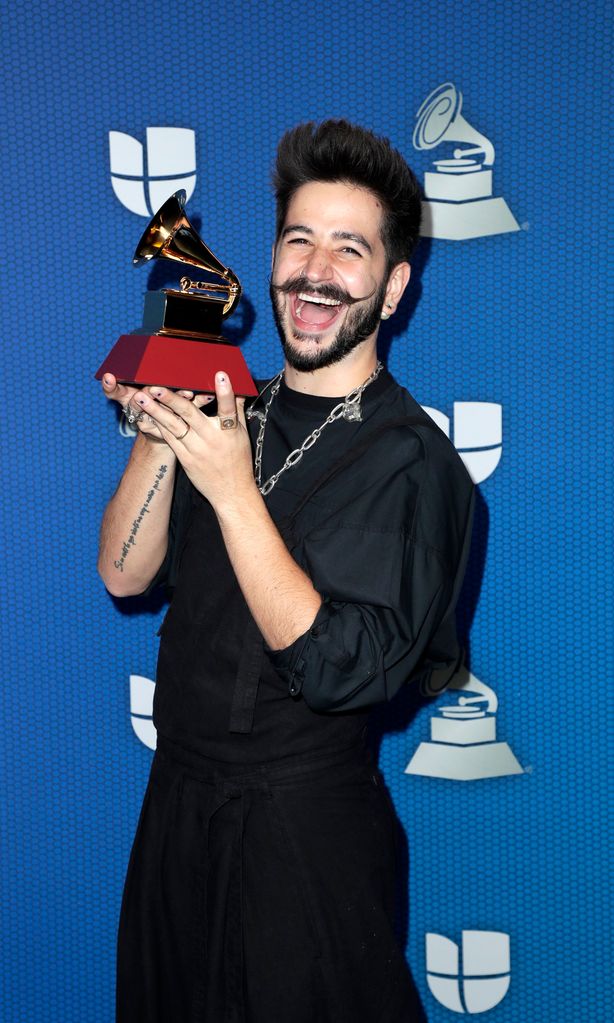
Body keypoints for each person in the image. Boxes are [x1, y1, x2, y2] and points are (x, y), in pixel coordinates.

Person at [98, 120, 474, 1023]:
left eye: (350, 250)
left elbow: (339, 666)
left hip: (307, 847)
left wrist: (231, 491)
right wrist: (161, 422)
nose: (315, 270)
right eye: (299, 238)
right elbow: (121, 572)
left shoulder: (417, 465)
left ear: (392, 291)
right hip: (175, 822)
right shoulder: (236, 409)